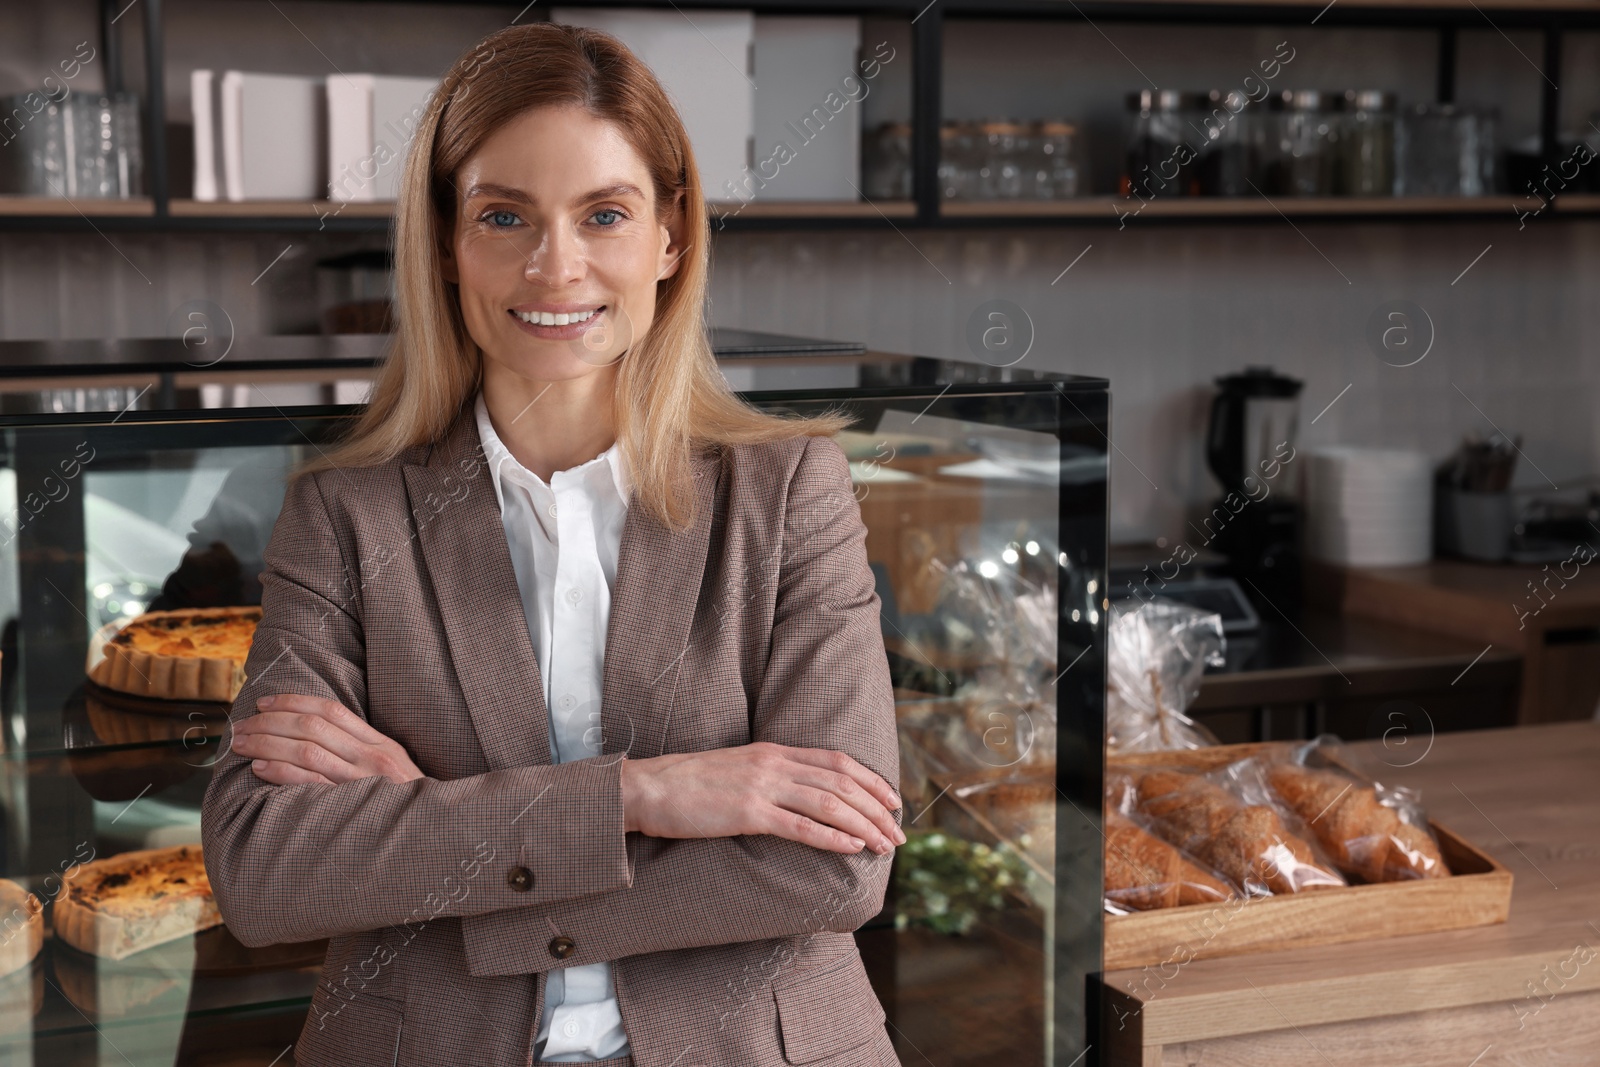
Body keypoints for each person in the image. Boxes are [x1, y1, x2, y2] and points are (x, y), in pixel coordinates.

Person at [199, 22, 904, 1067]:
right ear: (445, 241)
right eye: (503, 215)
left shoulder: (790, 491)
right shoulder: (345, 517)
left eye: (604, 214)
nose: (554, 265)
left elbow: (834, 869)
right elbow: (269, 871)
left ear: (671, 236)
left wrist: (427, 829)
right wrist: (645, 792)